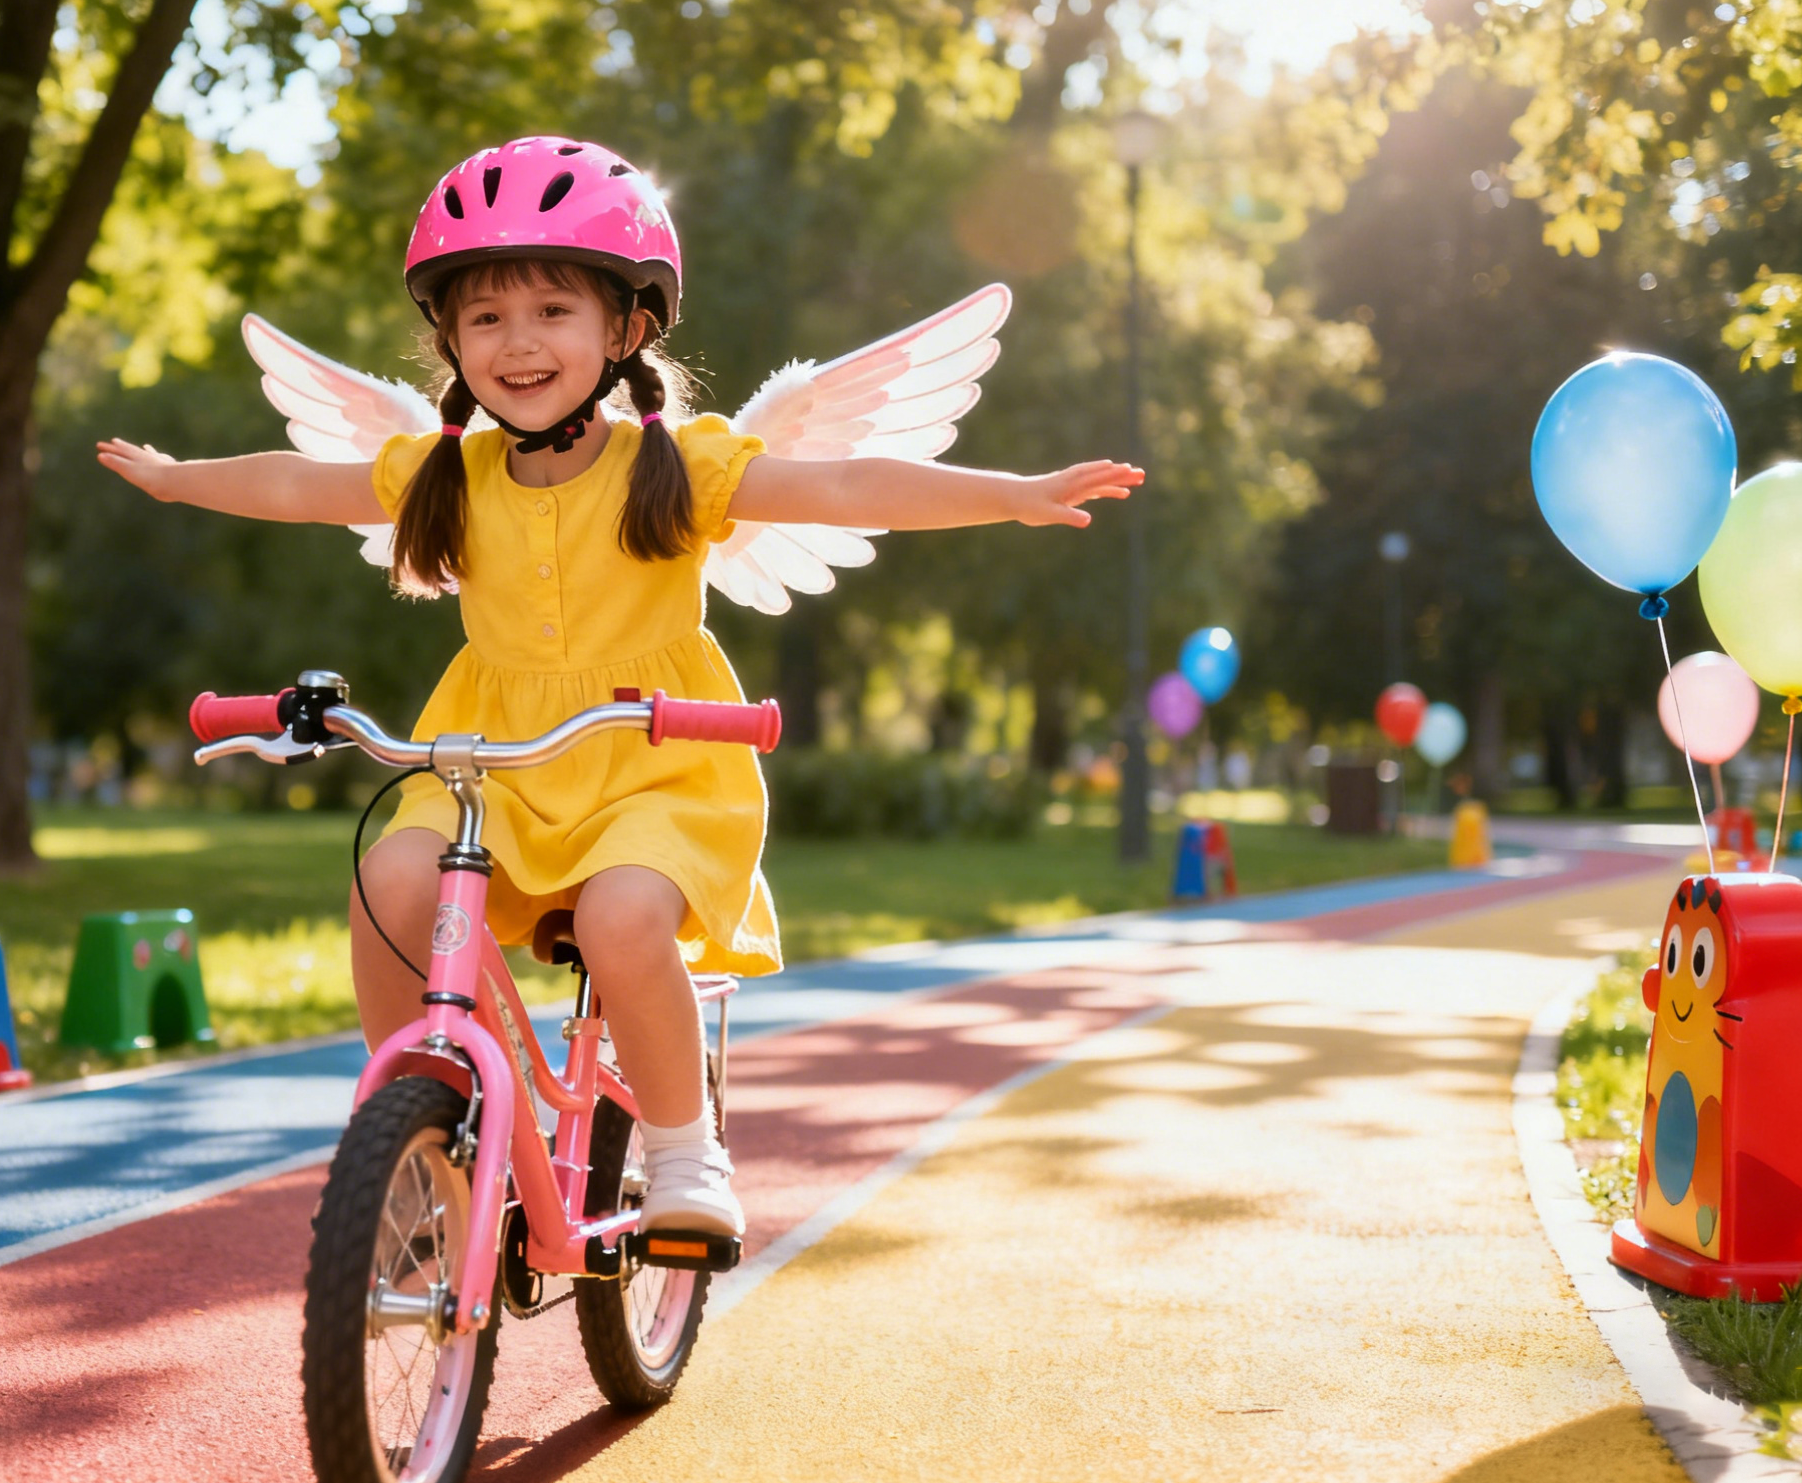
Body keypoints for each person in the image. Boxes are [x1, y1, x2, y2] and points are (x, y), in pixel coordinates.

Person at [100, 137, 1140, 1239]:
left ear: (626, 327)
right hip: (493, 757)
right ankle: (424, 1124)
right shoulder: (450, 469)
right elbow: (303, 484)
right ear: (449, 340)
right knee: (388, 881)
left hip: (657, 755)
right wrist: (178, 481)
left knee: (623, 911)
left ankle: (688, 1151)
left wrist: (1011, 492)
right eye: (485, 318)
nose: (518, 342)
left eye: (553, 309)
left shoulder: (680, 463)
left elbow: (841, 479)